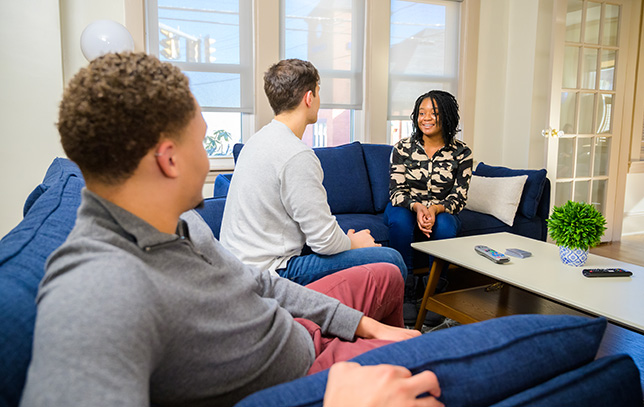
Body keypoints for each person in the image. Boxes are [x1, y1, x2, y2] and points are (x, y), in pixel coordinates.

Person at [18, 52, 424, 407]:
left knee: (387, 276)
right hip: (304, 381)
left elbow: (260, 285)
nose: (209, 154)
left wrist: (365, 326)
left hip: (294, 333)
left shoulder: (178, 221)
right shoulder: (95, 291)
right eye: (202, 141)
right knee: (428, 361)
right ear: (170, 161)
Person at [220, 59, 407, 285]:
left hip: (239, 267)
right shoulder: (296, 154)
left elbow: (316, 229)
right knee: (391, 260)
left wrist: (345, 242)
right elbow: (324, 242)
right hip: (271, 272)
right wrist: (354, 244)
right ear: (309, 98)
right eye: (318, 92)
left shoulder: (256, 141)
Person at [386, 90, 473, 326]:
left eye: (433, 113)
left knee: (445, 226)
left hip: (442, 210)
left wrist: (435, 210)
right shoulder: (402, 148)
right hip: (406, 206)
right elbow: (396, 191)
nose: (426, 118)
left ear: (446, 116)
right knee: (401, 222)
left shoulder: (462, 153)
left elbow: (459, 196)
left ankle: (435, 290)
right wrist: (417, 208)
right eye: (421, 113)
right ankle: (406, 290)